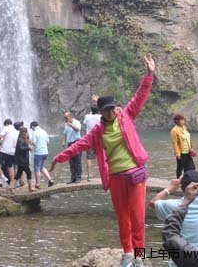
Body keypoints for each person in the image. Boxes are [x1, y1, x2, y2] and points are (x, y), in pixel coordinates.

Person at [50, 55, 155, 267]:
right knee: (122, 217)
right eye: (107, 109)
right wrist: (58, 158)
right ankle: (127, 253)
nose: (112, 111)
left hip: (135, 174)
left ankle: (139, 256)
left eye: (113, 108)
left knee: (138, 217)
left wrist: (150, 74)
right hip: (116, 177)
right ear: (102, 112)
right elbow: (78, 146)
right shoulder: (97, 132)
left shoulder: (126, 116)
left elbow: (140, 96)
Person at [149, 170, 198, 266]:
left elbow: (153, 202)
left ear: (182, 187)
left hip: (181, 260)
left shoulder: (174, 206)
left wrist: (170, 188)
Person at [0, 119, 18, 187]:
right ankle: (12, 185)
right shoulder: (16, 131)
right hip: (12, 152)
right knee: (10, 167)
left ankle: (3, 177)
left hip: (4, 150)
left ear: (6, 124)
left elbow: (0, 136)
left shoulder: (6, 128)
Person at [9, 127, 35, 193]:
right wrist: (28, 148)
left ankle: (11, 187)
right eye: (27, 132)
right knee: (29, 172)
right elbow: (21, 148)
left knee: (18, 174)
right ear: (25, 132)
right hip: (22, 160)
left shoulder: (22, 139)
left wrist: (30, 146)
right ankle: (30, 188)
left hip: (22, 160)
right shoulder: (21, 139)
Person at [170, 114, 196, 178]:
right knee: (180, 167)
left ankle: (187, 179)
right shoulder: (174, 130)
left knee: (190, 167)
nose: (183, 121)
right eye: (182, 120)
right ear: (177, 121)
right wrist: (177, 153)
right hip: (181, 152)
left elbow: (188, 138)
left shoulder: (184, 127)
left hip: (188, 151)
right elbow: (175, 143)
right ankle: (178, 181)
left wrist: (191, 148)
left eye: (183, 120)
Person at [30, 121, 54, 189]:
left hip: (38, 153)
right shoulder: (44, 132)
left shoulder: (34, 132)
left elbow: (34, 143)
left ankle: (37, 184)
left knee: (37, 168)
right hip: (45, 152)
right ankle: (50, 180)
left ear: (33, 127)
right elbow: (48, 142)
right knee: (41, 167)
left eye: (31, 128)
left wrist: (31, 143)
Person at [62, 112, 82, 184]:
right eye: (64, 118)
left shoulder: (77, 122)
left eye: (66, 118)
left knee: (77, 161)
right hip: (69, 144)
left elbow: (77, 129)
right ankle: (73, 178)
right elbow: (64, 134)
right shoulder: (66, 124)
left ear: (70, 117)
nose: (65, 119)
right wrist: (63, 141)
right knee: (71, 161)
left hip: (77, 143)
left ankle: (78, 177)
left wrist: (71, 125)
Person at [82, 106, 101, 181]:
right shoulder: (100, 116)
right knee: (102, 156)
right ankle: (105, 173)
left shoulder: (87, 116)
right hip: (99, 138)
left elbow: (84, 123)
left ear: (91, 111)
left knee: (89, 157)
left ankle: (89, 176)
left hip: (89, 138)